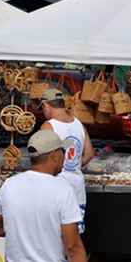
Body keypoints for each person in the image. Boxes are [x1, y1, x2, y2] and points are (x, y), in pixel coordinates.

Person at [0, 130, 97, 262]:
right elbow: (73, 246)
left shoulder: (10, 185)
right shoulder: (62, 189)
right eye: (63, 153)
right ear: (54, 156)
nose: (65, 157)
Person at [40, 88, 95, 235]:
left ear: (46, 105)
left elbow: (42, 159)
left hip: (55, 189)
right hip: (77, 189)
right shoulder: (78, 124)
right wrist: (74, 166)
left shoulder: (48, 126)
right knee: (73, 238)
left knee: (53, 237)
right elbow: (89, 154)